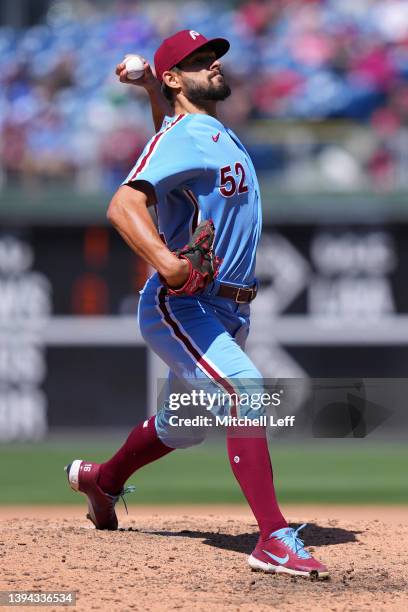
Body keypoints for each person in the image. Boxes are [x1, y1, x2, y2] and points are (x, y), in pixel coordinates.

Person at [65, 29, 328, 579]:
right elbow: (123, 205)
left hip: (228, 310)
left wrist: (148, 90)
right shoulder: (188, 134)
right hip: (183, 303)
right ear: (175, 77)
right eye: (197, 61)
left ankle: (101, 481)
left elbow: (166, 136)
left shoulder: (207, 133)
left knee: (182, 425)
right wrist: (165, 261)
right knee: (247, 390)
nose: (213, 65)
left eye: (213, 57)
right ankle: (273, 538)